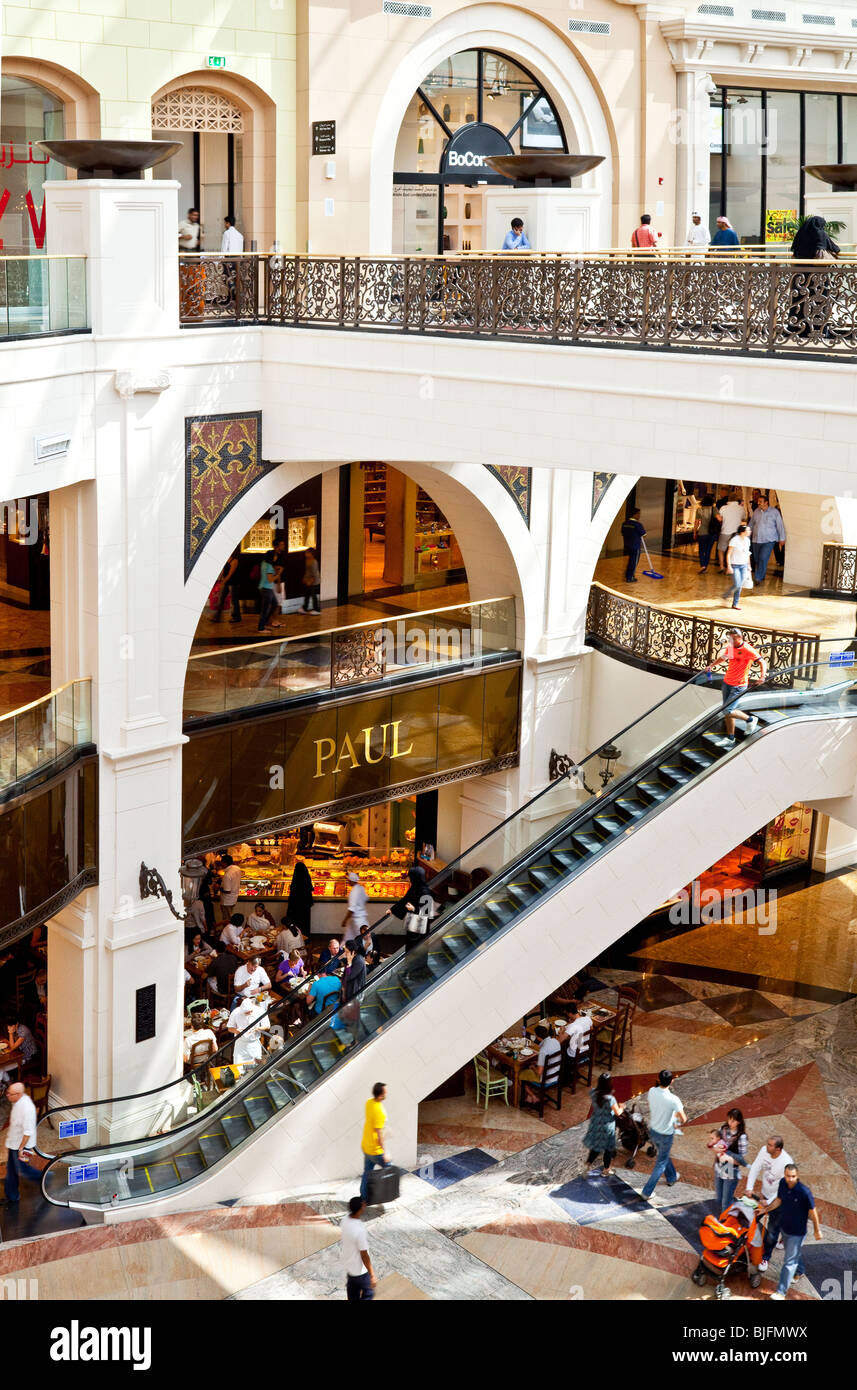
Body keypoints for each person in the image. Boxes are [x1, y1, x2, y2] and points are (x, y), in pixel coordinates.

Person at [761, 1163, 822, 1299]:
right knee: (793, 1254)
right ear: (784, 1175)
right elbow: (778, 1200)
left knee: (789, 1262)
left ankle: (780, 1292)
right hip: (785, 1227)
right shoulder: (783, 1183)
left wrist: (817, 1230)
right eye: (788, 1176)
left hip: (797, 1232)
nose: (790, 1179)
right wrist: (765, 1210)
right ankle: (800, 1271)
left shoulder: (803, 1192)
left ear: (797, 1176)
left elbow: (813, 1211)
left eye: (793, 1176)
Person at [739, 1134, 794, 1267]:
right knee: (754, 1217)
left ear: (778, 1149)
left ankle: (765, 1257)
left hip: (779, 1200)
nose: (766, 1146)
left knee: (772, 1231)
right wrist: (749, 1188)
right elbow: (755, 1167)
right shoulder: (764, 1150)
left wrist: (769, 1202)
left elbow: (784, 1188)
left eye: (770, 1145)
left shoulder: (787, 1162)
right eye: (767, 1143)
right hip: (764, 1193)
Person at [706, 627, 767, 744]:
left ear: (740, 638)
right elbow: (723, 657)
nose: (731, 641)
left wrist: (762, 677)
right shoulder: (731, 647)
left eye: (733, 639)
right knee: (729, 712)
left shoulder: (748, 649)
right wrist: (712, 665)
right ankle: (730, 738)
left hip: (739, 685)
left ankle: (750, 719)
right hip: (727, 683)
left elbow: (762, 662)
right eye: (730, 638)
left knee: (727, 710)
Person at [789, 215, 840, 340]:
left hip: (800, 276)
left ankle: (798, 328)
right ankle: (818, 329)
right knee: (819, 302)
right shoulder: (820, 233)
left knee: (800, 301)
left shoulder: (801, 234)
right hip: (817, 277)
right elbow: (835, 248)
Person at [641, 1069, 686, 1201]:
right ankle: (646, 1192)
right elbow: (683, 1118)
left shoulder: (651, 1091)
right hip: (666, 1133)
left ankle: (671, 1177)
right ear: (672, 1081)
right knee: (660, 1163)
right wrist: (675, 1120)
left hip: (654, 1131)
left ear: (659, 1079)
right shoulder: (674, 1099)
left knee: (663, 1155)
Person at [1, 1082, 41, 1206]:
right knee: (11, 1170)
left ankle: (45, 1178)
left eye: (10, 1094)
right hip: (14, 1144)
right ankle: (12, 1196)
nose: (7, 1095)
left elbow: (28, 1132)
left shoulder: (27, 1108)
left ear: (18, 1094)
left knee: (23, 1170)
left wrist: (21, 1149)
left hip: (23, 1146)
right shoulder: (17, 1102)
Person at [583, 1071, 624, 1177]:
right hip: (607, 1126)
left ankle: (586, 1166)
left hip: (596, 1123)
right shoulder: (611, 1099)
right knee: (608, 1149)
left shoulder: (593, 1092)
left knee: (596, 1146)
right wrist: (622, 1107)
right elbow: (617, 1112)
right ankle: (606, 1170)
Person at [708, 1107, 748, 1210]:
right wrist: (715, 1148)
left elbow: (741, 1159)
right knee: (719, 1197)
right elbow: (715, 1143)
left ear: (739, 1122)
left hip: (731, 1170)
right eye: (729, 1119)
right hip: (719, 1166)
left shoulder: (741, 1137)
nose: (730, 1122)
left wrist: (728, 1159)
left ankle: (725, 1220)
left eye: (733, 1120)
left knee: (726, 1201)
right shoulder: (723, 1128)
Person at [342, 1194, 377, 1300]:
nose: (365, 1205)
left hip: (350, 1267)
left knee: (353, 1293)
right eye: (363, 1204)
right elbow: (364, 1254)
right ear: (360, 1208)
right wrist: (372, 1275)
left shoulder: (345, 1220)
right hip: (360, 1272)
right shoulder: (359, 1230)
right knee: (369, 1293)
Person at [519, 1024, 562, 1107]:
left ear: (537, 1037)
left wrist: (532, 1067)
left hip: (546, 1078)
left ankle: (533, 1096)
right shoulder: (555, 1041)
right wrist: (537, 1063)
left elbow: (539, 1072)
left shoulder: (543, 1050)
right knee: (529, 1071)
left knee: (520, 1074)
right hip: (556, 1074)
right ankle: (529, 1097)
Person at [360, 1081, 388, 1204]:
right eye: (385, 1091)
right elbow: (379, 1135)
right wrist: (385, 1153)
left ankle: (364, 1197)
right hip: (375, 1150)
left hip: (366, 1145)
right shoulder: (379, 1112)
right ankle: (386, 1195)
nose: (387, 1093)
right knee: (389, 1169)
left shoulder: (369, 1102)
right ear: (381, 1095)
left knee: (367, 1172)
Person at [749, 497, 786, 584]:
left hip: (769, 540)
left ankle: (758, 578)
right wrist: (746, 535)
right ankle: (762, 574)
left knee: (763, 557)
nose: (758, 503)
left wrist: (782, 538)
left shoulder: (774, 512)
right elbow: (751, 524)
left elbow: (780, 526)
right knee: (757, 559)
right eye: (758, 501)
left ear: (766, 503)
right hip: (756, 539)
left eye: (760, 502)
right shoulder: (756, 511)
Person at [227, 996, 268, 1066]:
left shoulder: (260, 1011)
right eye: (246, 1013)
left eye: (250, 1012)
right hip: (241, 1046)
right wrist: (237, 1031)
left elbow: (267, 1026)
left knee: (256, 1068)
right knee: (238, 1068)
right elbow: (230, 1028)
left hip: (254, 1044)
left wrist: (257, 1028)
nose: (249, 1014)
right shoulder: (236, 1012)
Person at [724, 523, 752, 610]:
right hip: (735, 565)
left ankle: (735, 604)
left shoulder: (747, 540)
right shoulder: (734, 540)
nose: (750, 531)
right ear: (743, 532)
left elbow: (747, 554)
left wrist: (749, 565)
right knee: (737, 584)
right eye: (748, 530)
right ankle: (726, 596)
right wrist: (729, 566)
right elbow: (728, 554)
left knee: (739, 585)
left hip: (744, 565)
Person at [716, 494, 746, 571]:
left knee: (721, 549)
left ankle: (722, 566)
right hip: (736, 533)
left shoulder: (723, 508)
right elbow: (743, 518)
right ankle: (731, 567)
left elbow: (720, 518)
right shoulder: (741, 509)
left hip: (725, 531)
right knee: (733, 550)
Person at [285, 858, 313, 939]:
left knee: (296, 925)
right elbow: (310, 899)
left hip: (295, 909)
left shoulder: (295, 882)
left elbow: (291, 898)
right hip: (305, 909)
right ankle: (305, 939)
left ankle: (295, 939)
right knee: (304, 925)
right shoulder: (307, 881)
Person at [213, 549, 242, 624]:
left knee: (234, 601)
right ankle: (217, 617)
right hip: (226, 583)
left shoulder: (235, 560)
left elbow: (230, 574)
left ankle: (236, 617)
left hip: (233, 583)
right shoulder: (226, 559)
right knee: (221, 599)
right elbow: (223, 571)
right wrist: (219, 580)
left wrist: (223, 582)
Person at [693, 492, 719, 573]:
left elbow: (696, 522)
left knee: (701, 550)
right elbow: (719, 519)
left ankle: (702, 566)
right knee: (708, 551)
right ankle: (705, 567)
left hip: (702, 533)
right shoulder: (714, 509)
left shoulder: (699, 510)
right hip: (711, 534)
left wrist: (694, 532)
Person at [257, 550, 280, 634]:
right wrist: (278, 574)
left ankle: (265, 623)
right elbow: (270, 580)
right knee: (265, 609)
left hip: (265, 588)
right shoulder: (269, 566)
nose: (276, 557)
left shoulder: (264, 563)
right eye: (275, 555)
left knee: (275, 604)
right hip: (266, 589)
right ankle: (261, 627)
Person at [342, 871, 369, 944]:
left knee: (364, 940)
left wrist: (344, 920)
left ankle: (366, 954)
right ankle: (343, 953)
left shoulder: (353, 892)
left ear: (351, 881)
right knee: (348, 938)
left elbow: (352, 909)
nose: (348, 882)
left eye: (348, 880)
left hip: (357, 920)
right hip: (359, 918)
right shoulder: (361, 888)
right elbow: (366, 898)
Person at [621, 508, 646, 583]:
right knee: (634, 561)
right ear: (635, 514)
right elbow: (644, 534)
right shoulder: (638, 524)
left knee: (630, 560)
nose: (639, 516)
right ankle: (630, 577)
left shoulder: (625, 523)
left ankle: (628, 574)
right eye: (638, 514)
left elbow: (623, 533)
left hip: (627, 545)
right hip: (635, 546)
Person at [219, 855, 242, 923]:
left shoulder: (227, 875)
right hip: (234, 898)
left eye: (221, 862)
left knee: (227, 919)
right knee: (229, 916)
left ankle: (228, 932)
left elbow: (227, 890)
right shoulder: (237, 868)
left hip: (227, 901)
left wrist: (218, 888)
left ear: (225, 863)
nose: (221, 864)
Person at [301, 548, 321, 613]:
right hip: (309, 581)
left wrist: (310, 581)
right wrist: (305, 578)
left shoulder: (314, 562)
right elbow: (307, 571)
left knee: (313, 596)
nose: (305, 554)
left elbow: (314, 574)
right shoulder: (307, 560)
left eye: (307, 553)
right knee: (307, 595)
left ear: (312, 554)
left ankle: (317, 610)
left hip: (314, 582)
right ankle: (305, 608)